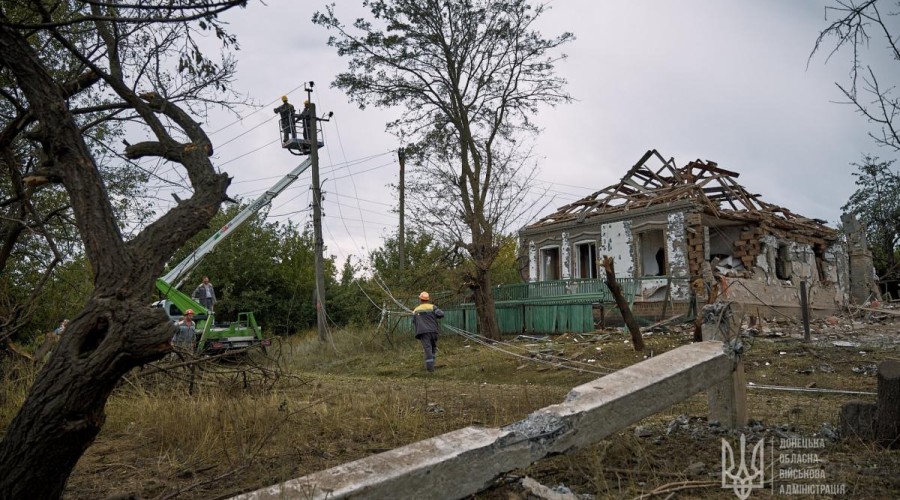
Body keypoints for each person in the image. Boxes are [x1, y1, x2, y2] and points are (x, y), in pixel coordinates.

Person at [411, 291, 444, 373]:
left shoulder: (416, 310)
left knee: (428, 349)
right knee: (433, 348)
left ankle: (430, 369)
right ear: (428, 299)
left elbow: (413, 321)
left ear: (420, 299)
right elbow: (441, 314)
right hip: (433, 331)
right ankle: (432, 365)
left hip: (423, 332)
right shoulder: (433, 307)